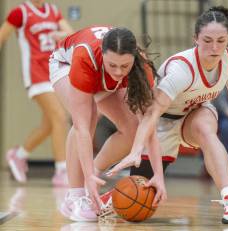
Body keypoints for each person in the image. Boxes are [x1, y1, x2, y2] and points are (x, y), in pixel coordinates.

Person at [107, 6, 228, 224]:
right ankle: (103, 199)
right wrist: (135, 150)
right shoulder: (181, 70)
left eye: (221, 40)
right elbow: (152, 114)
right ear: (195, 39)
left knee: (206, 130)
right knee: (137, 197)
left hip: (195, 114)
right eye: (207, 40)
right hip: (161, 121)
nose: (215, 47)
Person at [49, 25, 167, 222]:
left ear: (134, 59)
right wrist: (85, 176)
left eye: (125, 66)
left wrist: (159, 176)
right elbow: (81, 128)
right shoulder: (84, 56)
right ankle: (75, 196)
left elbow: (149, 127)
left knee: (133, 129)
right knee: (88, 116)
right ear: (103, 54)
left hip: (100, 73)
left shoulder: (141, 65)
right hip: (65, 65)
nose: (119, 72)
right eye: (113, 65)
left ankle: (94, 173)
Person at [0, 0, 73, 186]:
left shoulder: (53, 11)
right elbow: (2, 36)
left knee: (49, 125)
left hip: (53, 72)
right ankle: (61, 171)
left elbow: (71, 35)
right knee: (60, 118)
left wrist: (61, 34)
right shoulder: (20, 13)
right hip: (35, 73)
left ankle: (19, 155)